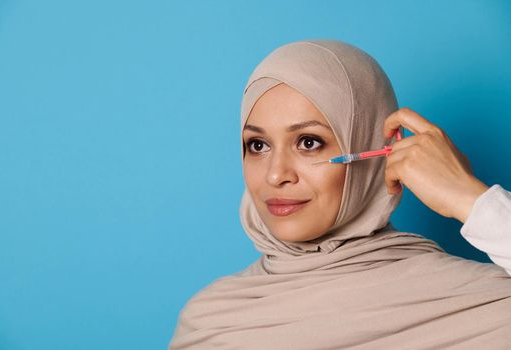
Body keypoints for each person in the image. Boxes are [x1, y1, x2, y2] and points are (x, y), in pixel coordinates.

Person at [169, 40, 511, 349]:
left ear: (375, 149)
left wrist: (472, 199)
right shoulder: (209, 322)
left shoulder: (478, 303)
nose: (275, 174)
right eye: (257, 145)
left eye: (308, 143)